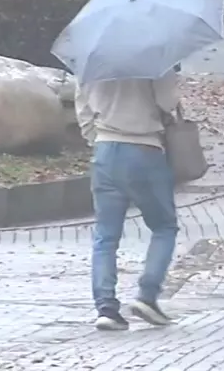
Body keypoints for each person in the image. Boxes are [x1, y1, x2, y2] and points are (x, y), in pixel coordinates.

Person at [75, 70, 182, 331]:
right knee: (164, 226)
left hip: (105, 150)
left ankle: (106, 308)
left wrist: (97, 140)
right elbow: (168, 102)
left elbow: (83, 110)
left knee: (106, 235)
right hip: (144, 148)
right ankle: (147, 295)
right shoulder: (154, 59)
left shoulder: (93, 59)